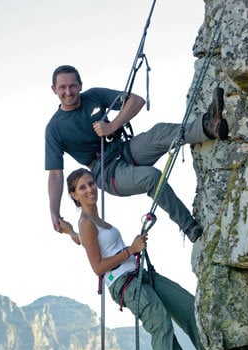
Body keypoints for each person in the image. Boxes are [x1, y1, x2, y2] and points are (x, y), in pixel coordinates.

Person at [63, 168, 206, 350]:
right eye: (82, 188)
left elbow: (82, 240)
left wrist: (68, 231)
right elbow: (97, 267)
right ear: (74, 195)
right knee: (160, 323)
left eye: (90, 184)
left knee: (188, 306)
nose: (89, 190)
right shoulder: (87, 223)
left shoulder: (93, 222)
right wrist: (130, 250)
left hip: (139, 273)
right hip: (125, 284)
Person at [46, 65, 228, 243]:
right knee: (152, 177)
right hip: (107, 172)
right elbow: (55, 174)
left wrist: (112, 126)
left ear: (80, 85)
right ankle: (189, 226)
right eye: (62, 87)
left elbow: (136, 100)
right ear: (54, 89)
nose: (68, 91)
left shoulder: (93, 96)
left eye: (72, 86)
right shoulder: (55, 128)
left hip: (123, 149)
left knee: (158, 133)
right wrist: (54, 211)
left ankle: (208, 126)